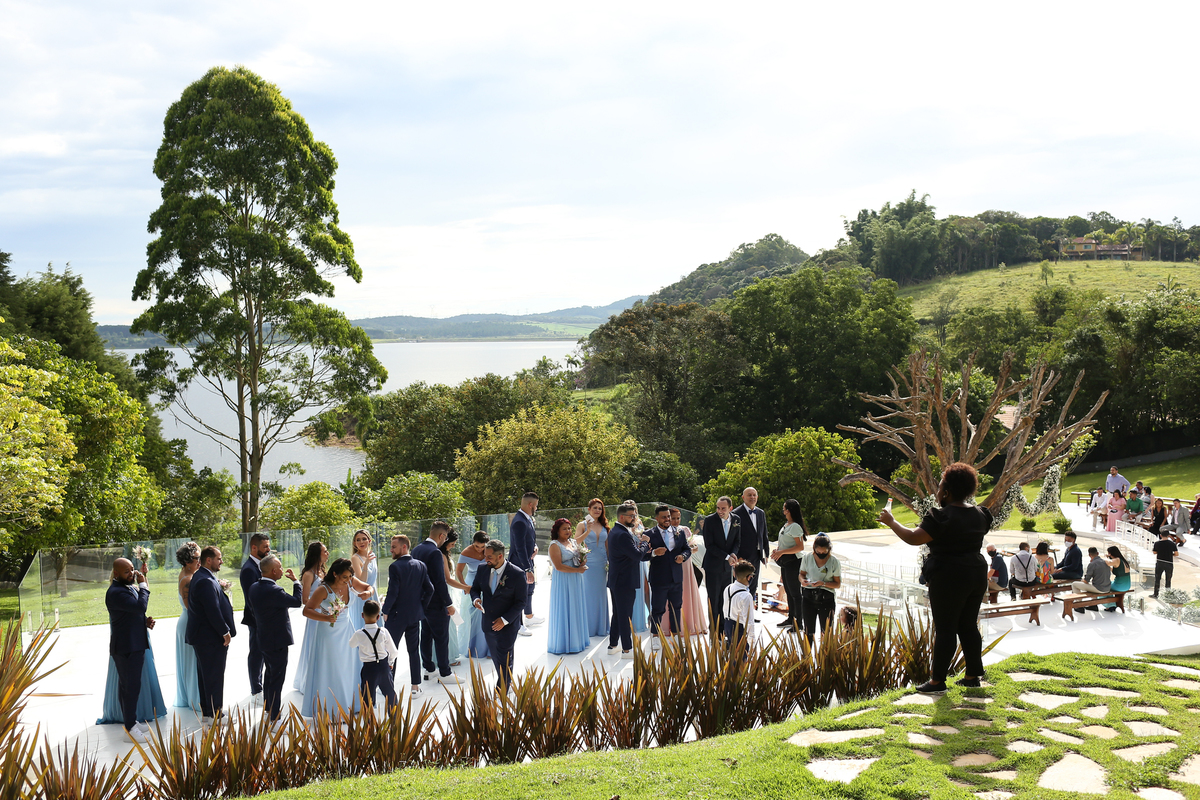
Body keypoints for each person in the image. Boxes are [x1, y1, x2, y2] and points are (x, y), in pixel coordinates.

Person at [878, 461, 989, 695]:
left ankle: (938, 681)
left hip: (950, 575)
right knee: (968, 625)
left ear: (946, 492)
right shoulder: (980, 514)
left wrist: (891, 522)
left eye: (940, 487)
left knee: (946, 628)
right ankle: (972, 675)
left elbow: (912, 537)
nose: (938, 491)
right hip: (976, 573)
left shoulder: (942, 516)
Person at [102, 558, 162, 742]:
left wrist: (144, 622)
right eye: (127, 572)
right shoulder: (115, 592)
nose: (132, 574)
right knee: (130, 686)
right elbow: (139, 606)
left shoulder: (125, 588)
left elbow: (130, 614)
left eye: (132, 569)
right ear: (116, 573)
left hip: (133, 643)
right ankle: (129, 728)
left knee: (130, 686)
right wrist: (143, 585)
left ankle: (131, 721)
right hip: (126, 646)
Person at [299, 558, 365, 716]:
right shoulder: (323, 590)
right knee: (332, 668)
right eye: (345, 577)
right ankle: (331, 709)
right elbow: (306, 610)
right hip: (328, 634)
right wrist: (326, 618)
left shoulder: (349, 583)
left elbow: (367, 587)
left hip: (347, 631)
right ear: (335, 574)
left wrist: (367, 592)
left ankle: (350, 704)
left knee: (347, 667)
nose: (349, 580)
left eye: (350, 577)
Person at [247, 554, 303, 725]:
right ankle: (274, 717)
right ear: (273, 571)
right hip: (277, 640)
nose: (282, 569)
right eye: (279, 567)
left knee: (269, 675)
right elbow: (296, 602)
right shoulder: (274, 590)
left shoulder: (254, 587)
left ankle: (267, 708)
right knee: (277, 678)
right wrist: (296, 582)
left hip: (263, 637)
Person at [186, 546, 236, 726]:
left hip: (203, 637)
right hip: (209, 637)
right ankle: (216, 714)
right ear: (209, 560)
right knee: (214, 675)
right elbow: (212, 610)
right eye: (219, 558)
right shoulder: (205, 580)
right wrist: (224, 631)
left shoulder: (203, 577)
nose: (221, 561)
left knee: (206, 675)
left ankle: (208, 713)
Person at [470, 539, 528, 693]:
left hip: (507, 625)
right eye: (485, 556)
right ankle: (507, 682)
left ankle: (502, 689)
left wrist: (504, 620)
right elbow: (474, 588)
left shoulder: (517, 574)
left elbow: (521, 602)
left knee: (505, 656)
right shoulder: (482, 569)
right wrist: (475, 599)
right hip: (488, 622)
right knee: (497, 656)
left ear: (500, 556)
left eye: (489, 556)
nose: (485, 559)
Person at [381, 535, 434, 696]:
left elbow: (393, 593)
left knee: (390, 651)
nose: (391, 549)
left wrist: (385, 610)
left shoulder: (395, 567)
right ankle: (415, 687)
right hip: (414, 616)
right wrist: (420, 607)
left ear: (404, 547)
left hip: (396, 617)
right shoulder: (421, 565)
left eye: (394, 547)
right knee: (413, 651)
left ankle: (388, 687)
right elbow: (430, 589)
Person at [412, 521, 459, 686]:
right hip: (436, 603)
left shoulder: (416, 550)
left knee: (425, 636)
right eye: (445, 537)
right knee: (441, 638)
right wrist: (449, 604)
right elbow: (439, 582)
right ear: (441, 536)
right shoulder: (435, 553)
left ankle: (429, 670)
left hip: (421, 603)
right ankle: (445, 673)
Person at [607, 501, 655, 658]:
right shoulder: (621, 534)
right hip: (624, 580)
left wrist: (652, 554)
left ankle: (613, 645)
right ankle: (627, 649)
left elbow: (633, 555)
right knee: (625, 615)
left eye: (635, 515)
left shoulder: (618, 531)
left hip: (619, 579)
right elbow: (636, 555)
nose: (635, 518)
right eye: (631, 516)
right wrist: (644, 543)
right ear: (622, 517)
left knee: (618, 613)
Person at [646, 504, 691, 646]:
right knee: (658, 608)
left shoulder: (679, 532)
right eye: (664, 517)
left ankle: (676, 636)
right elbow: (641, 555)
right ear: (657, 518)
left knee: (676, 607)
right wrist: (654, 553)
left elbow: (687, 549)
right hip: (659, 578)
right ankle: (655, 637)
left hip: (676, 577)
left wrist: (683, 557)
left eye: (669, 517)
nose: (667, 519)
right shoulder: (649, 534)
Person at [548, 518, 590, 655]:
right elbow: (558, 566)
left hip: (576, 580)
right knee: (565, 607)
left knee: (576, 607)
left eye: (569, 528)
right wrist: (578, 570)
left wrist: (583, 561)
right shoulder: (554, 545)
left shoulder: (572, 542)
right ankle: (564, 643)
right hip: (563, 580)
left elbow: (580, 554)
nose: (567, 531)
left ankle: (578, 640)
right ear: (557, 531)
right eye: (564, 529)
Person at [700, 496, 741, 632]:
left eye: (723, 508)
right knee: (714, 598)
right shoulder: (709, 521)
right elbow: (709, 545)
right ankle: (714, 628)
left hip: (727, 568)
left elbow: (737, 541)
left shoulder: (736, 520)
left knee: (726, 598)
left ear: (730, 508)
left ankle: (724, 628)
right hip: (713, 566)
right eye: (718, 508)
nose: (720, 511)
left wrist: (734, 553)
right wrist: (727, 556)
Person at [349, 600, 398, 711]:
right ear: (378, 617)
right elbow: (394, 652)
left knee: (368, 700)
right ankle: (395, 722)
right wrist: (390, 663)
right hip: (384, 667)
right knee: (391, 696)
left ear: (362, 615)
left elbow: (351, 644)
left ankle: (370, 725)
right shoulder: (383, 632)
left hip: (369, 669)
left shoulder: (359, 634)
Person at [292, 541, 328, 692]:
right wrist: (321, 606)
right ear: (317, 554)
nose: (327, 554)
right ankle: (309, 681)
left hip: (325, 614)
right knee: (313, 646)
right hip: (315, 615)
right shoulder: (308, 574)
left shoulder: (323, 572)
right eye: (325, 551)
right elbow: (305, 600)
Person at [239, 532, 270, 704]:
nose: (268, 549)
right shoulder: (249, 569)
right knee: (256, 654)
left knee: (263, 653)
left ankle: (260, 686)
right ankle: (256, 690)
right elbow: (251, 598)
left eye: (268, 545)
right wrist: (262, 619)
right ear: (254, 547)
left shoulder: (263, 565)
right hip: (257, 619)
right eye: (265, 546)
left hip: (265, 618)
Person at [509, 491, 544, 635]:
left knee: (530, 589)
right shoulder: (519, 521)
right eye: (535, 505)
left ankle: (528, 616)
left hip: (527, 560)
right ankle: (518, 625)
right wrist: (527, 569)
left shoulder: (527, 519)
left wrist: (534, 547)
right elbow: (519, 548)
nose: (536, 508)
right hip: (519, 564)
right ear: (530, 505)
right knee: (519, 594)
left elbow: (528, 540)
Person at [576, 498, 611, 638]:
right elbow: (575, 542)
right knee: (588, 595)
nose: (597, 510)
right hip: (588, 564)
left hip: (602, 565)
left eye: (600, 508)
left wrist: (610, 562)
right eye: (595, 508)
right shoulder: (582, 524)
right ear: (589, 509)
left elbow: (608, 546)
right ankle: (588, 629)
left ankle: (601, 628)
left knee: (601, 595)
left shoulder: (604, 525)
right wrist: (587, 530)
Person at [770, 499, 807, 630]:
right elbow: (784, 543)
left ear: (789, 510)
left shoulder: (795, 526)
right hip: (786, 563)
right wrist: (777, 551)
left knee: (796, 593)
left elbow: (800, 547)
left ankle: (799, 622)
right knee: (789, 592)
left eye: (784, 508)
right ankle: (791, 618)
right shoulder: (787, 525)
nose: (783, 511)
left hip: (794, 562)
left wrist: (782, 552)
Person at [173, 541, 202, 711]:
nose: (200, 561)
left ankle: (192, 695)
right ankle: (196, 699)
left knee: (191, 661)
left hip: (186, 620)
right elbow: (192, 607)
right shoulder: (188, 579)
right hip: (189, 622)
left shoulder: (186, 573)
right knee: (193, 662)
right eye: (197, 558)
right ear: (188, 560)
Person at [670, 507, 708, 635]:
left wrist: (691, 549)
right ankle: (675, 624)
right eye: (673, 518)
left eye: (678, 518)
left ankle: (690, 623)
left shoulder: (685, 529)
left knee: (687, 592)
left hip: (686, 566)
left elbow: (692, 547)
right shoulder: (664, 532)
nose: (676, 520)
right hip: (672, 566)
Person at [797, 534, 841, 643]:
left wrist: (824, 584)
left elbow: (837, 584)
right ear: (814, 549)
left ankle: (824, 657)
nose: (821, 554)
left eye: (824, 553)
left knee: (826, 631)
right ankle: (807, 657)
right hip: (808, 597)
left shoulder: (834, 561)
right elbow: (801, 574)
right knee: (808, 631)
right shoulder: (807, 557)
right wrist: (803, 581)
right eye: (818, 552)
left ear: (829, 550)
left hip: (826, 598)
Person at [456, 531, 491, 659]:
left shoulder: (490, 549)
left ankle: (488, 649)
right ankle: (472, 648)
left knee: (487, 615)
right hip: (471, 584)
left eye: (483, 547)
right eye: (477, 546)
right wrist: (464, 585)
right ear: (473, 543)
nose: (480, 550)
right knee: (471, 617)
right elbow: (459, 571)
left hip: (487, 583)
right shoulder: (466, 552)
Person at [732, 487, 770, 605]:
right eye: (749, 495)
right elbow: (733, 538)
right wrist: (737, 557)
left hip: (756, 555)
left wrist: (766, 554)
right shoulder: (735, 514)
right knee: (739, 585)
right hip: (742, 557)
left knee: (753, 585)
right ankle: (738, 614)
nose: (752, 497)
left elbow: (764, 535)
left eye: (754, 495)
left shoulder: (760, 513)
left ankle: (750, 613)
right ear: (743, 497)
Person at [439, 529, 468, 664]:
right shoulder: (441, 556)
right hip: (445, 592)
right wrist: (465, 587)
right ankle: (448, 658)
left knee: (450, 624)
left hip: (448, 590)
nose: (453, 546)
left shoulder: (442, 554)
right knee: (448, 625)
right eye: (452, 543)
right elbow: (447, 579)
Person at [348, 530, 379, 631]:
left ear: (369, 540)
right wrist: (365, 564)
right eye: (358, 540)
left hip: (373, 594)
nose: (361, 542)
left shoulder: (372, 555)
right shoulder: (355, 558)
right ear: (354, 543)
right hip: (362, 597)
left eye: (364, 539)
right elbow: (362, 581)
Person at [722, 560, 756, 648]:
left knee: (732, 655)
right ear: (749, 577)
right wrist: (752, 641)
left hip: (728, 624)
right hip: (739, 629)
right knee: (742, 658)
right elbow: (749, 621)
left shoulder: (728, 588)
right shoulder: (746, 596)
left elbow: (725, 609)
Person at [1103, 546, 1131, 611]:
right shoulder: (1123, 560)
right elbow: (1117, 571)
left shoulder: (1117, 559)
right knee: (1109, 584)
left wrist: (1105, 557)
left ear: (1110, 553)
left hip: (1119, 586)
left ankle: (1109, 605)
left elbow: (1108, 562)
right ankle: (1112, 604)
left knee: (1104, 586)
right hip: (1127, 585)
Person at [1152, 530, 1178, 598]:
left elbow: (1154, 552)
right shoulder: (1172, 544)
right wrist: (1170, 554)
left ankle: (1155, 594)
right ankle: (1167, 595)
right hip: (1169, 563)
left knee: (1157, 578)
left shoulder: (1157, 543)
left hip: (1160, 562)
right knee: (1168, 579)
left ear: (1161, 535)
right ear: (1168, 535)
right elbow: (1176, 554)